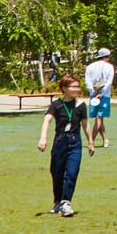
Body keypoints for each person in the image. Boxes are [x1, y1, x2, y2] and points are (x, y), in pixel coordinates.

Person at [35, 75, 88, 216]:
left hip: (75, 141)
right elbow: (47, 120)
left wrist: (91, 142)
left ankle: (66, 203)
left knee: (71, 173)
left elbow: (85, 124)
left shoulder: (81, 105)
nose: (77, 89)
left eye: (78, 86)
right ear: (64, 88)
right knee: (57, 173)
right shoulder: (56, 104)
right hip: (60, 141)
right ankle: (57, 201)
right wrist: (43, 138)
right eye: (73, 86)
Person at [83, 47, 115, 149]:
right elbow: (109, 82)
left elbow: (87, 81)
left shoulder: (90, 67)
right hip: (104, 95)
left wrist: (93, 92)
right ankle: (92, 140)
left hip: (93, 95)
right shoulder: (109, 67)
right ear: (107, 57)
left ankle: (104, 139)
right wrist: (101, 93)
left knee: (98, 118)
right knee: (99, 118)